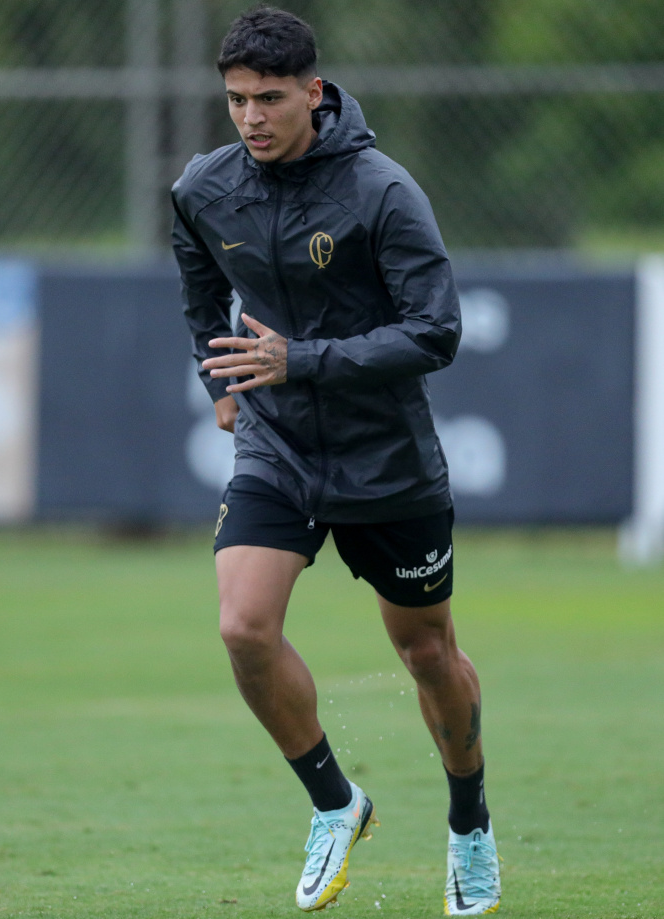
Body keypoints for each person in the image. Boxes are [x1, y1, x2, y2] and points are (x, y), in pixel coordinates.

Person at [171, 6, 501, 916]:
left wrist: (300, 361)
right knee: (242, 627)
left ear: (312, 92)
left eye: (268, 99)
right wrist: (223, 385)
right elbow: (197, 279)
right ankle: (334, 803)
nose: (250, 118)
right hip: (278, 445)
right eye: (235, 99)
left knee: (426, 650)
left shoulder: (381, 191)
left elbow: (435, 332)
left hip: (384, 457)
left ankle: (468, 824)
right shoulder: (204, 187)